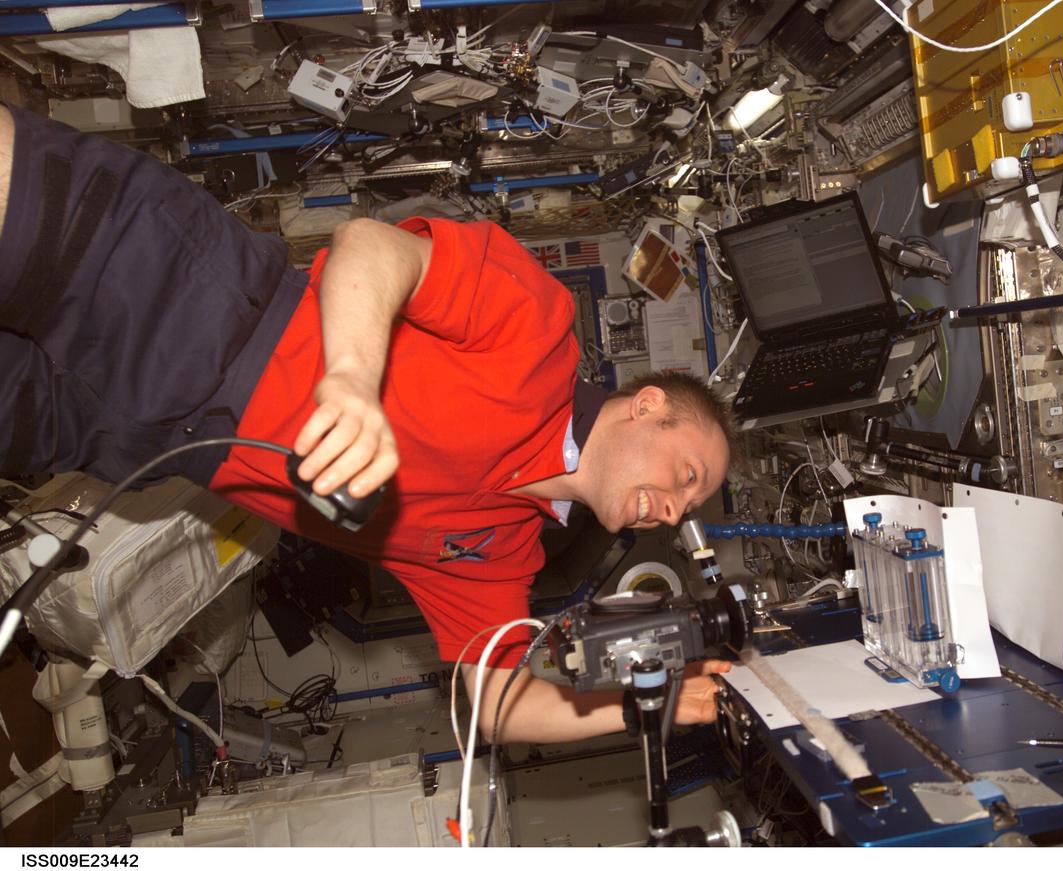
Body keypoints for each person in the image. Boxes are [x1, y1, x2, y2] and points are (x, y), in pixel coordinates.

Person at [0, 103, 737, 743]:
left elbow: (503, 711)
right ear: (648, 406)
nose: (672, 509)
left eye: (685, 507)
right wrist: (351, 379)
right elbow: (369, 244)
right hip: (182, 300)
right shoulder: (538, 333)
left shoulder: (502, 556)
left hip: (123, 438)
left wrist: (652, 706)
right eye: (686, 475)